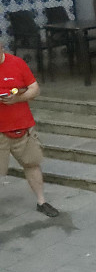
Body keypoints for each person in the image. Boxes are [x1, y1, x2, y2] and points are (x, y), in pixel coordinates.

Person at [0, 39, 58, 216]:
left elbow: (35, 89)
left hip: (22, 126)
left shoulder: (17, 63)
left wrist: (17, 98)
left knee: (32, 163)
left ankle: (42, 202)